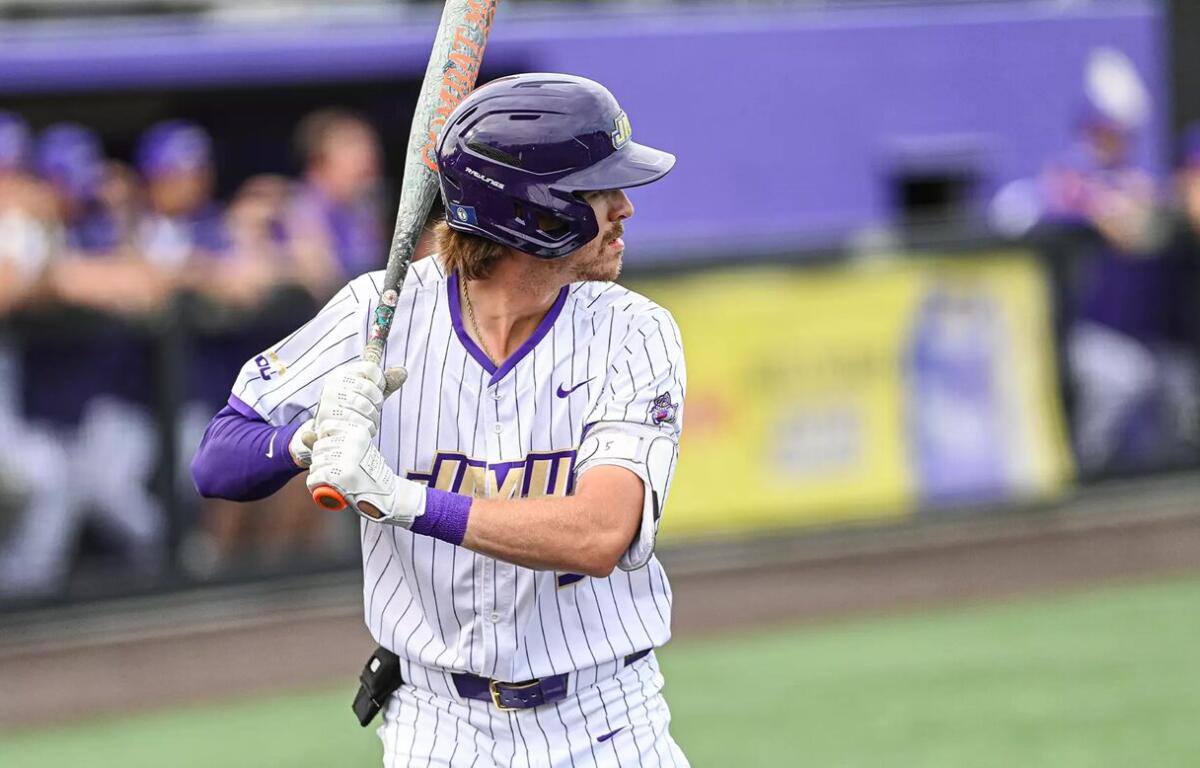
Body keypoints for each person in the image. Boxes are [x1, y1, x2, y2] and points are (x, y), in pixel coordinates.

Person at [192, 73, 690, 766]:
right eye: (601, 190)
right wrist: (308, 440)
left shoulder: (634, 332)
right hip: (437, 727)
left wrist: (402, 501)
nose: (626, 208)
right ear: (538, 211)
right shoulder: (381, 311)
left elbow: (600, 534)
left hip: (604, 717)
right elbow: (217, 460)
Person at [283, 108, 386, 298]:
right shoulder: (300, 209)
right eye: (350, 145)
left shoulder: (364, 208)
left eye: (368, 145)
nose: (367, 156)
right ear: (317, 161)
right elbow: (326, 283)